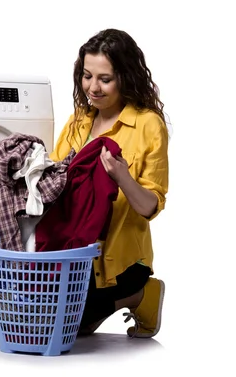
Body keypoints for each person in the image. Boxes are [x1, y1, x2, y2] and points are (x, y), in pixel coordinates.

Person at [48, 28, 169, 338]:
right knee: (44, 305)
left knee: (63, 320)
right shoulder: (80, 119)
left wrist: (122, 177)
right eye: (87, 76)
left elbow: (149, 206)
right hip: (76, 251)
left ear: (125, 78)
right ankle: (88, 311)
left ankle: (141, 294)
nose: (93, 88)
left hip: (120, 263)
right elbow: (54, 176)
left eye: (105, 79)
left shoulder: (147, 125)